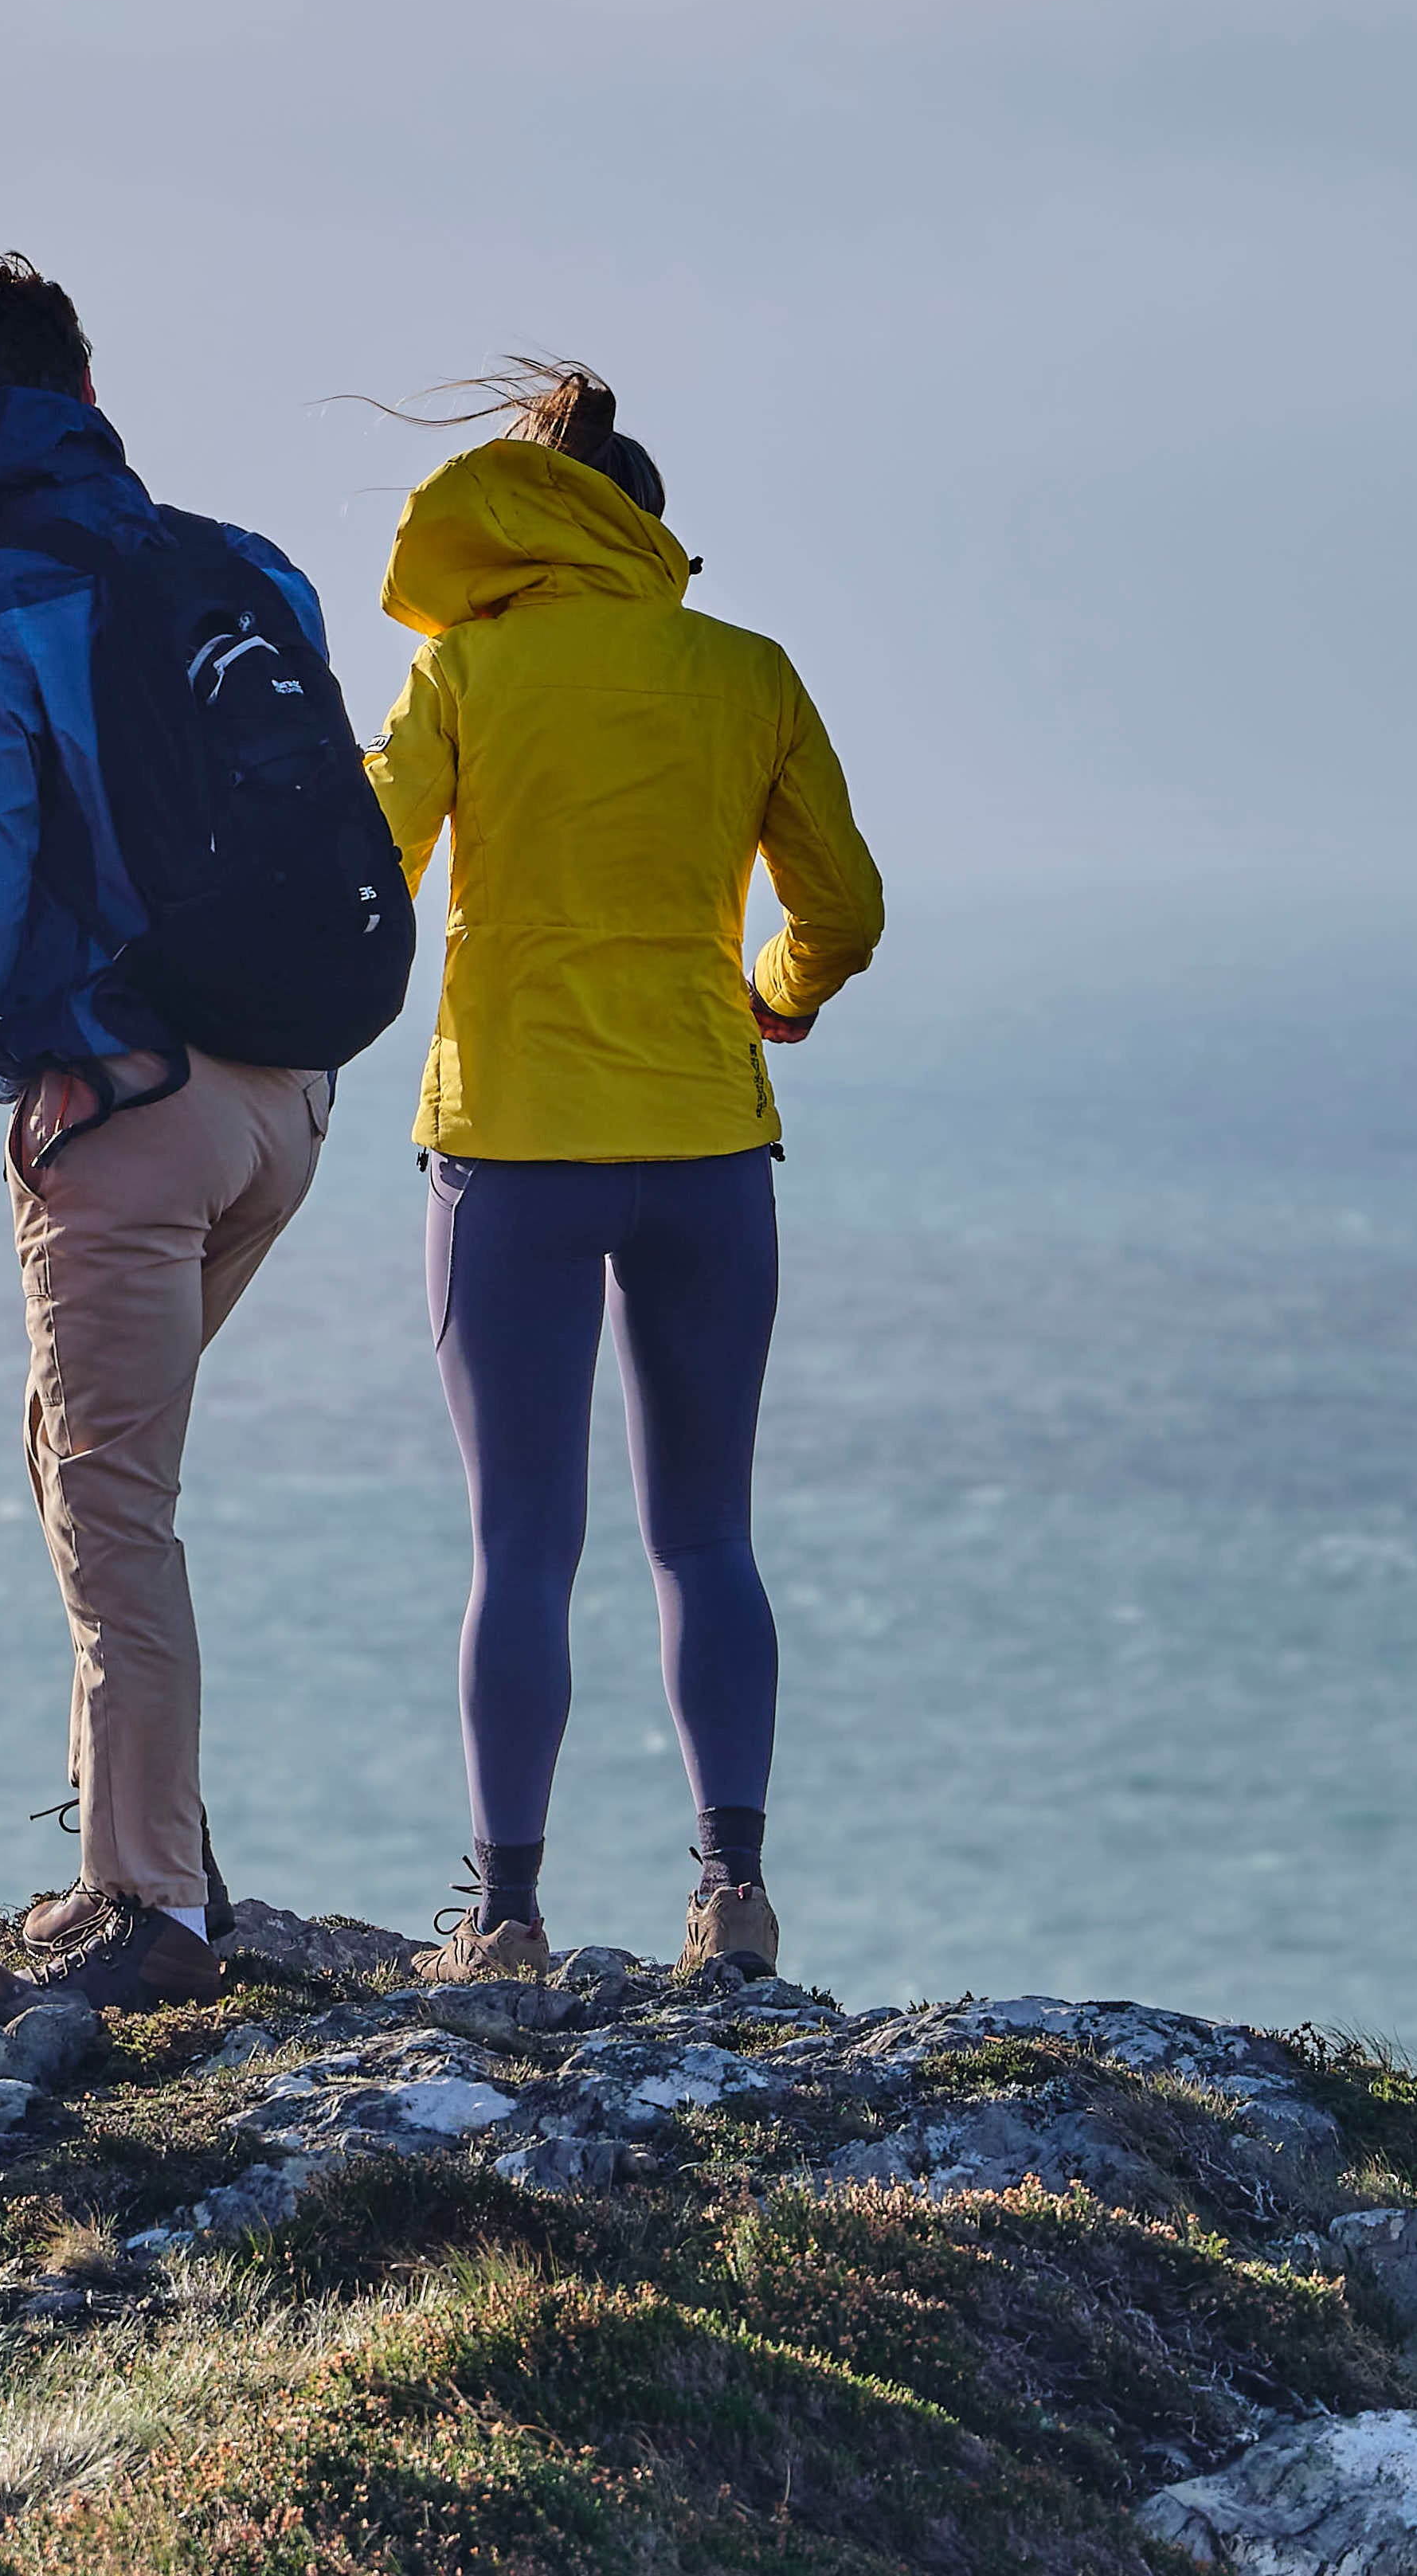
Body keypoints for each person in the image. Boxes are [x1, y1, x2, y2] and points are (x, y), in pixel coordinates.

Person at [0, 254, 358, 2021]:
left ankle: (153, 1905)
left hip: (124, 1107)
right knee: (79, 1459)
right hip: (290, 1095)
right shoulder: (245, 565)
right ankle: (129, 1856)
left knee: (111, 1500)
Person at [359, 362, 879, 1985]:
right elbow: (842, 909)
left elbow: (367, 872)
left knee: (522, 1543)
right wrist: (769, 997)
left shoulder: (465, 671)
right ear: (648, 535)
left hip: (508, 1146)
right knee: (704, 1535)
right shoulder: (746, 671)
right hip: (706, 1143)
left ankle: (503, 1919)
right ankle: (731, 1899)